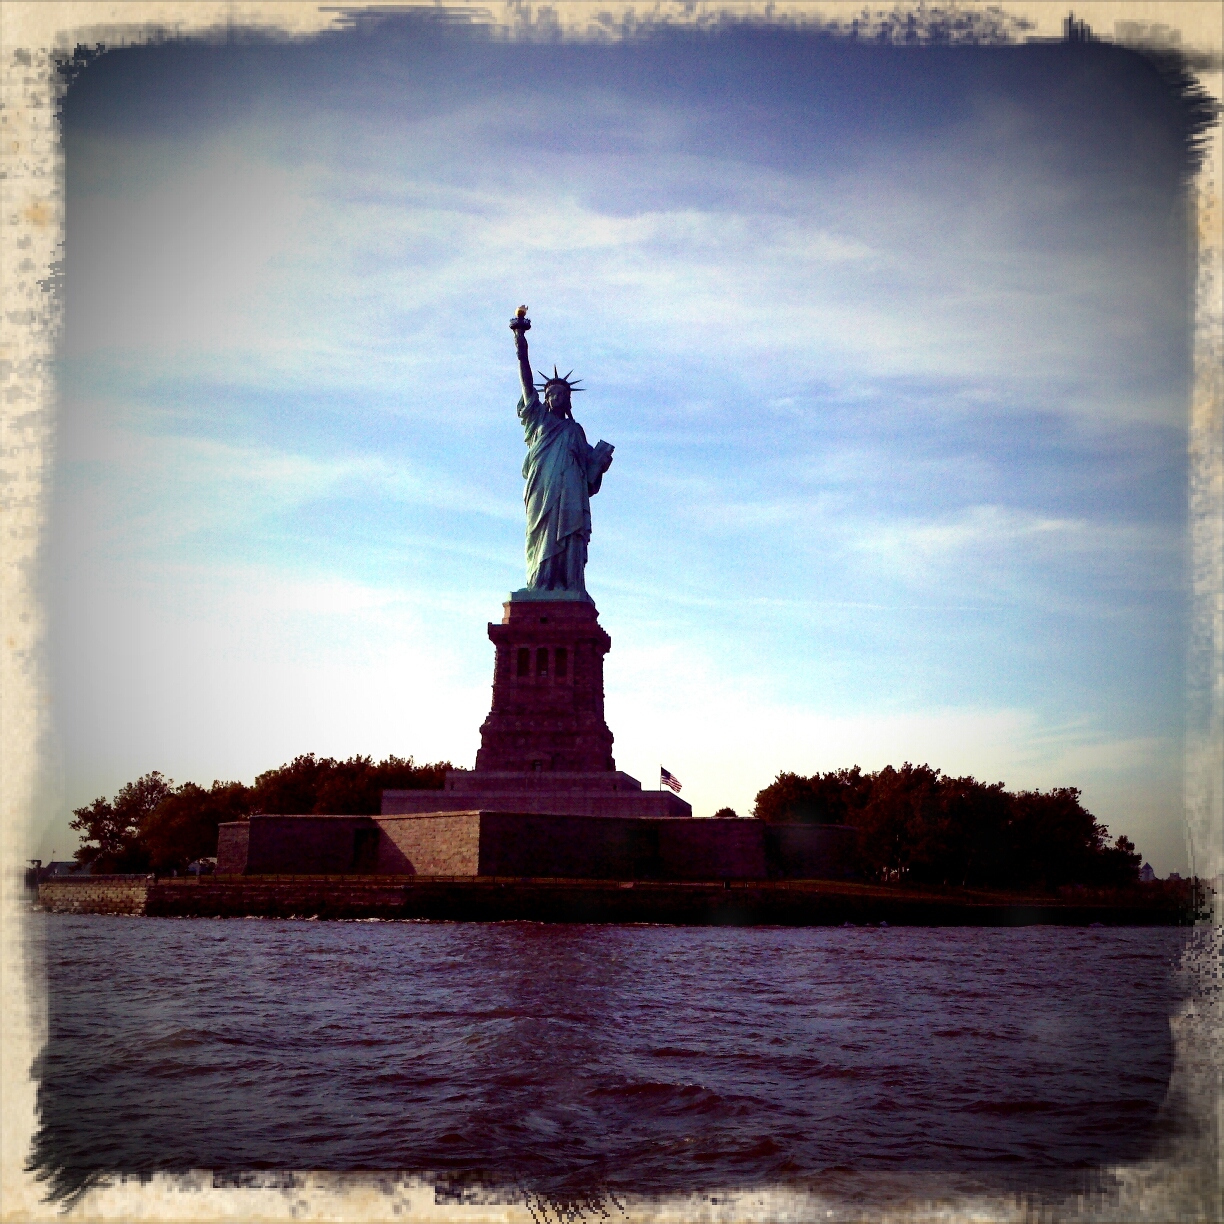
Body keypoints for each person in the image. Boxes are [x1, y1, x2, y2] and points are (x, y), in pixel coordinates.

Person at [509, 307, 614, 596]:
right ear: (545, 398)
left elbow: (589, 472)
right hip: (543, 488)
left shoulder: (574, 430)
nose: (556, 397)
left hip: (570, 491)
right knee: (540, 535)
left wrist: (600, 462)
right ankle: (540, 583)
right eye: (551, 394)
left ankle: (569, 584)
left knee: (570, 535)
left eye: (562, 394)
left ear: (568, 400)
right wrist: (520, 342)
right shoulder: (538, 420)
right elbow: (526, 382)